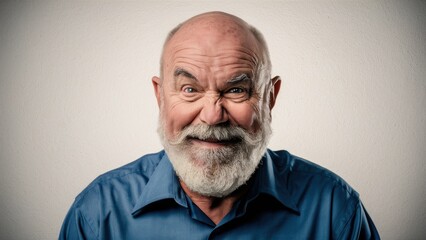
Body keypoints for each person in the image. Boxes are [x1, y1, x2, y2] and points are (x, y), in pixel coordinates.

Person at [59, 11, 380, 239]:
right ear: (160, 96)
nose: (212, 116)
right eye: (190, 90)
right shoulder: (99, 212)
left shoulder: (334, 209)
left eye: (236, 90)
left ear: (270, 97)